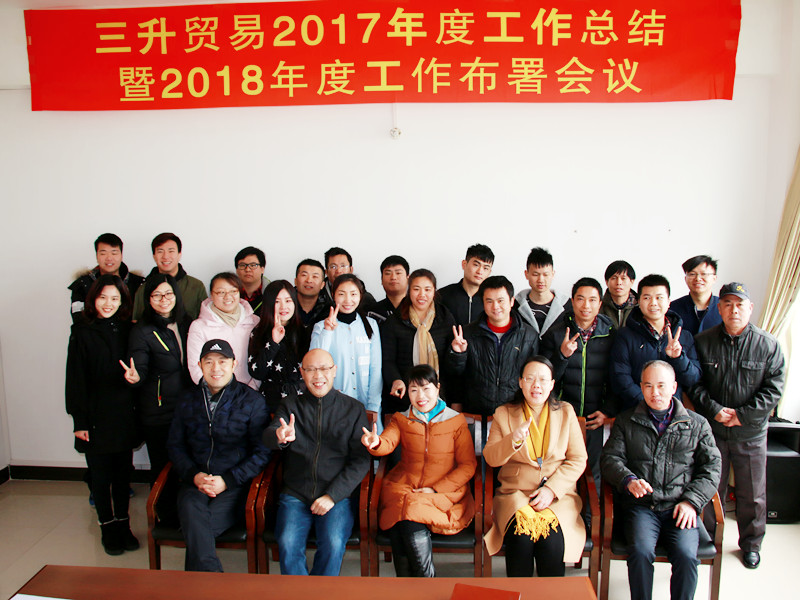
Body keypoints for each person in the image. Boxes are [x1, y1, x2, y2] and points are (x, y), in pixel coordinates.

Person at [601, 360, 721, 600]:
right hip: (642, 506)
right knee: (641, 551)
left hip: (680, 506)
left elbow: (712, 468)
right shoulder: (626, 421)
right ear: (641, 387)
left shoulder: (697, 424)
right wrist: (628, 480)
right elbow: (610, 459)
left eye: (661, 385)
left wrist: (691, 502)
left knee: (687, 556)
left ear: (674, 387)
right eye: (648, 386)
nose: (654, 392)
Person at [689, 282, 785, 569]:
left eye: (740, 304)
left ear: (750, 308)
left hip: (750, 432)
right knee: (710, 487)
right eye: (728, 304)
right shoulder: (703, 341)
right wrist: (715, 411)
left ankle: (751, 545)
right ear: (719, 308)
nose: (734, 310)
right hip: (714, 430)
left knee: (752, 493)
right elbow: (694, 383)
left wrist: (742, 415)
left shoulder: (768, 344)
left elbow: (774, 388)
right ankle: (707, 539)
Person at [361, 364, 476, 577]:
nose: (420, 396)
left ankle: (423, 582)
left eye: (426, 389)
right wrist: (375, 442)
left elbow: (467, 466)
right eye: (414, 390)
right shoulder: (401, 419)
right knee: (402, 516)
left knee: (407, 516)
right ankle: (416, 586)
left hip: (444, 492)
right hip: (406, 485)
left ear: (437, 388)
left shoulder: (455, 421)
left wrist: (436, 489)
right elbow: (387, 442)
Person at [263, 349, 370, 576]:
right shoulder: (290, 405)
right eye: (310, 370)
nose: (318, 376)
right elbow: (269, 435)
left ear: (334, 371)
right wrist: (279, 436)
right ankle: (300, 591)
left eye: (323, 369)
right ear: (302, 373)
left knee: (333, 543)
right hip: (296, 492)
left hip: (336, 495)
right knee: (287, 542)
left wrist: (332, 496)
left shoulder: (353, 409)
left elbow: (360, 461)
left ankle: (320, 590)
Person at [167, 339, 271, 572]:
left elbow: (262, 453)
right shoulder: (186, 399)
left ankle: (205, 585)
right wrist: (194, 476)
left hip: (234, 485)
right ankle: (215, 583)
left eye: (222, 362)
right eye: (209, 362)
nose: (216, 368)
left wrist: (228, 480)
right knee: (195, 519)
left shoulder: (252, 401)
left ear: (234, 364)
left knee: (197, 529)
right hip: (195, 482)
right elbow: (175, 445)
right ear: (200, 366)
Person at [483, 357, 588, 577]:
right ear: (520, 382)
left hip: (558, 496)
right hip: (516, 494)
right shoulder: (504, 413)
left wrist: (551, 490)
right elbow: (491, 458)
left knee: (551, 540)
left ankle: (548, 593)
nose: (536, 385)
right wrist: (513, 440)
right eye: (530, 379)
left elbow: (578, 459)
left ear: (552, 384)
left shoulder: (566, 412)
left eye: (542, 380)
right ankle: (520, 592)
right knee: (521, 538)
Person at [65, 275, 139, 556]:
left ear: (123, 301)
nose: (108, 303)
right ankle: (107, 527)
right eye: (103, 297)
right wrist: (79, 420)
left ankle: (123, 524)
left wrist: (136, 378)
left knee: (122, 475)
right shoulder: (82, 331)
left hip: (124, 413)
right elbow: (75, 379)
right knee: (100, 476)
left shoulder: (129, 329)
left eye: (115, 298)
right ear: (93, 299)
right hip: (95, 415)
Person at [540, 277, 616, 487]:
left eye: (592, 300)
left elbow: (617, 377)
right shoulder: (556, 334)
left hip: (596, 419)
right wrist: (562, 356)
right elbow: (544, 378)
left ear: (600, 304)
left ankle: (591, 510)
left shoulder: (611, 334)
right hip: (563, 417)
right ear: (572, 301)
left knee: (594, 475)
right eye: (580, 299)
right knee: (561, 472)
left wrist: (608, 411)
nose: (586, 305)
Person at [120, 273, 192, 485]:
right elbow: (139, 368)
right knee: (162, 469)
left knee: (186, 465)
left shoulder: (186, 322)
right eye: (157, 295)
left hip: (187, 407)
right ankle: (161, 506)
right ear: (148, 299)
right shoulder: (142, 331)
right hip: (158, 411)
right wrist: (135, 377)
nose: (164, 299)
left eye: (168, 294)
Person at [610, 274, 701, 414]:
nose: (653, 303)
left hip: (673, 414)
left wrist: (678, 358)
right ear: (639, 301)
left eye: (659, 297)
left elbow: (692, 378)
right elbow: (620, 379)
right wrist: (649, 403)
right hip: (636, 413)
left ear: (669, 301)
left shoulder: (683, 336)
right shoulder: (625, 336)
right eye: (647, 298)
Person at [447, 276, 539, 416]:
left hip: (515, 412)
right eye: (489, 301)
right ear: (483, 303)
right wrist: (458, 355)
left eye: (500, 301)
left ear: (511, 301)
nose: (495, 307)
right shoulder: (467, 334)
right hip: (475, 412)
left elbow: (534, 376)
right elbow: (456, 375)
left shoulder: (529, 336)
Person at [380, 269, 456, 415]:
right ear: (409, 291)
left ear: (434, 291)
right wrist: (395, 380)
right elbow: (387, 359)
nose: (422, 295)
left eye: (427, 289)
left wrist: (458, 352)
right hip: (405, 395)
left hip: (439, 396)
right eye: (416, 289)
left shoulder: (445, 318)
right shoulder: (394, 321)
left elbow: (452, 366)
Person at [310, 274, 382, 427]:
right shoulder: (321, 327)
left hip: (366, 404)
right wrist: (327, 331)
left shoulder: (371, 325)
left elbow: (376, 368)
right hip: (333, 406)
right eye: (341, 294)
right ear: (333, 295)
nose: (348, 300)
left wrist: (373, 405)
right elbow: (314, 363)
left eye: (353, 294)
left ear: (360, 296)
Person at [187, 273, 259, 390]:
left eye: (233, 291)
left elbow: (261, 361)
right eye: (221, 292)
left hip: (250, 392)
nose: (227, 296)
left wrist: (251, 390)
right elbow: (195, 367)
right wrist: (218, 392)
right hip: (215, 393)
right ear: (211, 294)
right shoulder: (199, 326)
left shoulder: (255, 322)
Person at [248, 280, 309, 413]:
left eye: (288, 301)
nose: (283, 307)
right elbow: (257, 372)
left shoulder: (304, 331)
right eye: (277, 302)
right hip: (270, 405)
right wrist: (273, 343)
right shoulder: (259, 332)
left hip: (301, 404)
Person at [69, 233, 144, 322]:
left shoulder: (138, 283)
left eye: (114, 253)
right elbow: (78, 318)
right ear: (97, 256)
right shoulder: (82, 284)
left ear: (121, 255)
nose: (109, 258)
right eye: (103, 253)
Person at [133, 233, 207, 320]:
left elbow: (206, 321)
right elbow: (136, 321)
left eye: (171, 251)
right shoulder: (143, 288)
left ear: (179, 254)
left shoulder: (196, 286)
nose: (165, 256)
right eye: (160, 251)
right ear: (154, 256)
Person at [515, 247, 569, 338]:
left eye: (545, 275)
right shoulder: (514, 306)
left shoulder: (567, 306)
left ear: (553, 274)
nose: (541, 280)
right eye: (535, 274)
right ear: (526, 274)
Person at [438, 243, 494, 326]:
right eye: (476, 265)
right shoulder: (442, 295)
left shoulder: (492, 299)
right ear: (464, 264)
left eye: (485, 268)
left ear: (489, 272)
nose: (480, 271)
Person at [670, 255, 721, 336]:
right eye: (692, 274)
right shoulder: (673, 309)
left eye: (703, 274)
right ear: (685, 279)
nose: (698, 278)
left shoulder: (724, 307)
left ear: (714, 278)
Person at [367, 255, 410, 323]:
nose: (393, 277)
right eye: (388, 273)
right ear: (381, 280)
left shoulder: (418, 308)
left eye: (398, 273)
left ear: (408, 278)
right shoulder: (372, 313)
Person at [294, 258, 332, 329]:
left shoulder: (329, 309)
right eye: (304, 275)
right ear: (295, 281)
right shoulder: (284, 305)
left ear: (322, 285)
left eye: (315, 276)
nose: (309, 280)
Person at [234, 246, 271, 314]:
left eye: (253, 265)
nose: (247, 269)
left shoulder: (273, 292)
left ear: (262, 269)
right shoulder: (228, 294)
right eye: (242, 265)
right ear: (236, 270)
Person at [601, 260, 637, 328]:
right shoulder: (598, 307)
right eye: (614, 278)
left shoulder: (640, 307)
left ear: (632, 282)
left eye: (623, 278)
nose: (619, 282)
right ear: (606, 282)